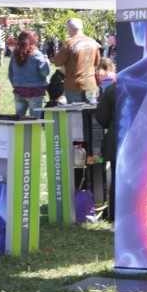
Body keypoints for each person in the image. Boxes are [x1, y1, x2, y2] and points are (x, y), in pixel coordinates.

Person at [52, 18, 101, 103]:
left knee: (75, 114)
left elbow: (57, 62)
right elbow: (97, 63)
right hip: (90, 83)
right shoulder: (93, 42)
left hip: (73, 85)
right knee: (92, 112)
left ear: (69, 28)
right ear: (82, 27)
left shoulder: (69, 43)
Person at [93, 68, 118, 222]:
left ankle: (115, 216)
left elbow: (101, 117)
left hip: (117, 142)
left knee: (117, 180)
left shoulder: (111, 90)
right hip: (145, 145)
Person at [6, 30, 49, 117]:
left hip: (19, 89)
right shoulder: (36, 54)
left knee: (19, 120)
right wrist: (46, 62)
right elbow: (45, 72)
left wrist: (16, 84)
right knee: (35, 120)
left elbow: (10, 73)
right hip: (35, 91)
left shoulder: (15, 54)